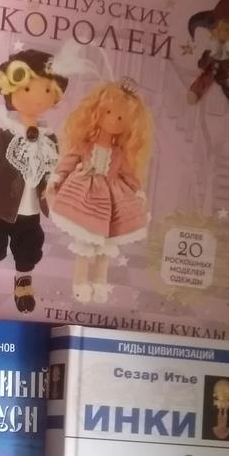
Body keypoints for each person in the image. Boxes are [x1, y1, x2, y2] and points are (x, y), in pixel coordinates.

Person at [0, 49, 68, 314]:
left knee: (28, 244)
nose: (37, 98)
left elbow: (54, 168)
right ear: (11, 90)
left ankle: (23, 281)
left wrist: (56, 187)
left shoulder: (49, 141)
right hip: (0, 205)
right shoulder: (4, 135)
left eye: (46, 90)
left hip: (31, 208)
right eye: (27, 89)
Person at [48, 79, 153, 304]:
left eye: (120, 118)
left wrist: (137, 192)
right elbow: (69, 161)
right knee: (85, 243)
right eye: (108, 112)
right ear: (97, 112)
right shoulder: (86, 145)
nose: (113, 120)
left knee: (105, 246)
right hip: (84, 197)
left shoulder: (120, 154)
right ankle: (80, 282)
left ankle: (100, 282)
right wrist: (58, 178)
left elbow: (128, 175)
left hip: (110, 203)